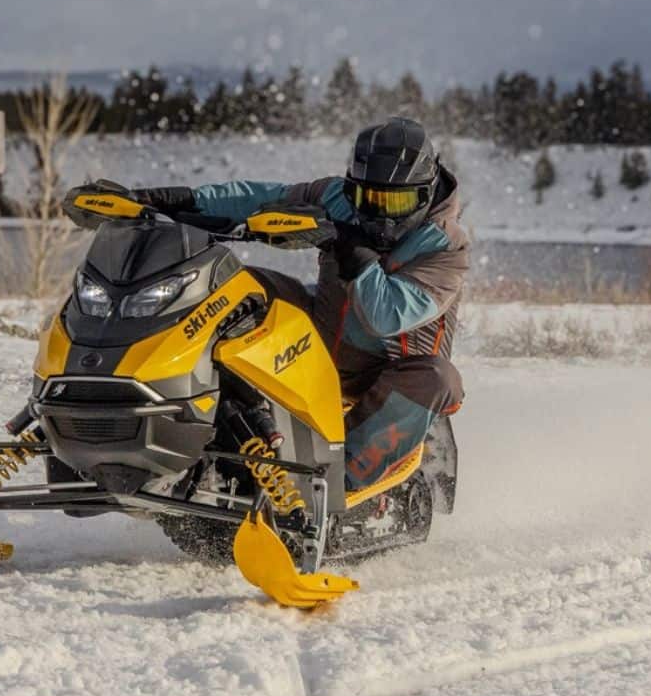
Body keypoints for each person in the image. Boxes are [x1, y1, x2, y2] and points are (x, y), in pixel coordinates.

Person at [126, 117, 468, 495]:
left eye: (397, 202)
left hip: (387, 378)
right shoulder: (336, 199)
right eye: (369, 199)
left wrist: (353, 252)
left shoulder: (447, 249)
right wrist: (182, 201)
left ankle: (341, 478)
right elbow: (262, 199)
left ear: (425, 192)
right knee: (239, 285)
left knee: (440, 377)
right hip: (318, 345)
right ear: (353, 188)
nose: (381, 214)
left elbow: (385, 316)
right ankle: (187, 416)